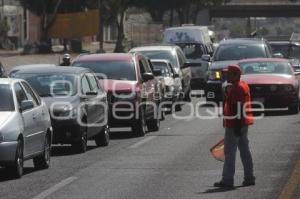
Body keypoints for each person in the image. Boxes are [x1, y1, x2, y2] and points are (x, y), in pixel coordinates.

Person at [214, 64, 255, 188]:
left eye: (228, 73)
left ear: (235, 75)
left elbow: (238, 107)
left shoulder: (237, 88)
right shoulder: (242, 85)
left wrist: (236, 126)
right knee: (244, 151)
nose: (226, 75)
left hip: (235, 124)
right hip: (243, 123)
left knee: (230, 153)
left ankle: (227, 180)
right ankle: (249, 177)